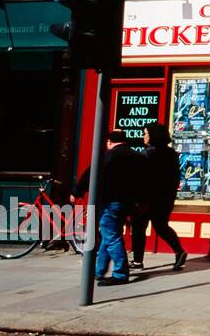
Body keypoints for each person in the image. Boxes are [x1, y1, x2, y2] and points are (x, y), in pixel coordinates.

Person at [74, 130, 143, 286]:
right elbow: (144, 181)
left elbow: (90, 174)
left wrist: (77, 191)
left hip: (111, 201)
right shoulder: (137, 156)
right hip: (128, 203)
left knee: (111, 236)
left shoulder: (109, 156)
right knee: (108, 235)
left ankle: (120, 273)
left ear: (110, 141)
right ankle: (99, 270)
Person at [132, 123, 187, 271]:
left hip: (147, 199)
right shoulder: (172, 154)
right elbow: (175, 178)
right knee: (161, 226)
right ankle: (179, 250)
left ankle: (137, 260)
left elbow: (142, 179)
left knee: (139, 228)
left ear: (153, 135)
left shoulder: (147, 154)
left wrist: (140, 198)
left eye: (145, 133)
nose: (144, 136)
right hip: (165, 198)